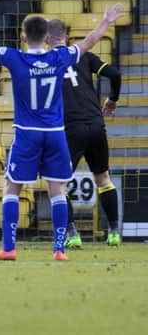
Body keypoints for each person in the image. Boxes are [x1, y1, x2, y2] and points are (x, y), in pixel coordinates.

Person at [0, 0, 124, 261]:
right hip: (56, 134)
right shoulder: (60, 59)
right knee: (58, 190)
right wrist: (106, 21)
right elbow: (89, 42)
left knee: (12, 188)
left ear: (24, 37)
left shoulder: (15, 58)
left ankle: (9, 248)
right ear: (47, 38)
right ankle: (60, 250)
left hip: (27, 135)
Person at [46, 19, 122, 248]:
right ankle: (114, 232)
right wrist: (113, 100)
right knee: (103, 178)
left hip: (70, 127)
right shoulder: (84, 55)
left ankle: (72, 234)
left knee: (58, 184)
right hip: (96, 124)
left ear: (48, 40)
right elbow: (115, 74)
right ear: (67, 38)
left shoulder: (47, 61)